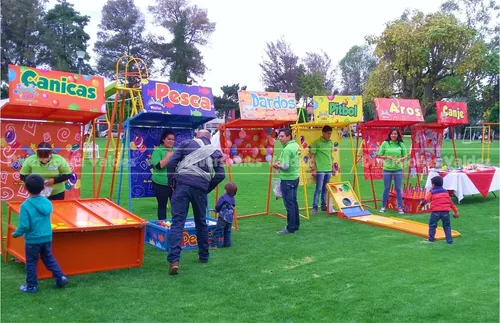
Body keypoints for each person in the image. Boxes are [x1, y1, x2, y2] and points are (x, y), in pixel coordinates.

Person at [166, 129, 225, 275]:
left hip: (182, 186)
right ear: (209, 139)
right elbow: (221, 174)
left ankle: (174, 260)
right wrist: (207, 187)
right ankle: (204, 256)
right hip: (200, 189)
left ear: (197, 136)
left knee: (178, 223)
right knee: (201, 222)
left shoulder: (186, 144)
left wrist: (172, 183)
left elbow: (171, 163)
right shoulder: (215, 152)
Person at [12, 174, 69, 293]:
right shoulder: (47, 202)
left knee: (31, 263)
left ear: (26, 188)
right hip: (47, 237)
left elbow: (24, 225)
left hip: (33, 240)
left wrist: (16, 233)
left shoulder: (25, 206)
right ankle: (60, 277)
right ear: (43, 188)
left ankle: (31, 286)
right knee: (48, 258)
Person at [273, 128, 301, 234]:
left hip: (288, 179)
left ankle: (290, 228)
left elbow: (285, 166)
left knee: (289, 204)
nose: (280, 138)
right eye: (279, 136)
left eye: (282, 136)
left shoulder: (287, 149)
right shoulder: (296, 146)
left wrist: (276, 165)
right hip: (295, 177)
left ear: (289, 137)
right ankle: (295, 224)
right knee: (293, 202)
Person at [419, 176, 459, 244]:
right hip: (445, 212)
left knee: (432, 225)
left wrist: (420, 207)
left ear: (433, 185)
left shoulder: (432, 192)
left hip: (435, 212)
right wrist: (456, 212)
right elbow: (451, 203)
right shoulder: (446, 193)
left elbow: (425, 201)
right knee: (447, 226)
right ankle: (449, 240)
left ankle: (431, 238)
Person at [377, 128, 408, 214]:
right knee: (386, 188)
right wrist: (387, 157)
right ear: (390, 135)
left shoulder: (401, 144)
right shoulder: (385, 143)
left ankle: (400, 208)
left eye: (395, 134)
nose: (393, 135)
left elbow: (405, 155)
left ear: (398, 135)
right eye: (392, 134)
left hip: (398, 169)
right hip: (387, 169)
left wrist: (400, 159)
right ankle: (383, 206)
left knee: (398, 188)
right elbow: (379, 155)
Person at [151, 130, 176, 220]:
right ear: (163, 140)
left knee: (176, 206)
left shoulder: (176, 150)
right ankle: (162, 226)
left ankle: (176, 226)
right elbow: (159, 166)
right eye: (169, 139)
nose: (171, 141)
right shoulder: (157, 151)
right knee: (162, 205)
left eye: (173, 139)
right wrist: (168, 156)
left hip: (174, 183)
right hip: (160, 183)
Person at [310, 125, 333, 214]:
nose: (329, 135)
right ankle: (315, 207)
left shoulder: (330, 142)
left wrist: (332, 168)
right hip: (320, 169)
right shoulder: (316, 143)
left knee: (325, 189)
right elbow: (312, 156)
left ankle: (324, 206)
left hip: (328, 169)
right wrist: (314, 169)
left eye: (330, 134)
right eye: (328, 133)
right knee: (319, 189)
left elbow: (330, 156)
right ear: (323, 133)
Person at [210, 182, 237, 249]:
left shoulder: (223, 197)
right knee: (227, 230)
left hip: (223, 217)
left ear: (226, 190)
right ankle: (227, 243)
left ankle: (213, 244)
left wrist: (216, 210)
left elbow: (218, 205)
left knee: (218, 230)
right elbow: (233, 205)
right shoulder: (233, 198)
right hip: (230, 217)